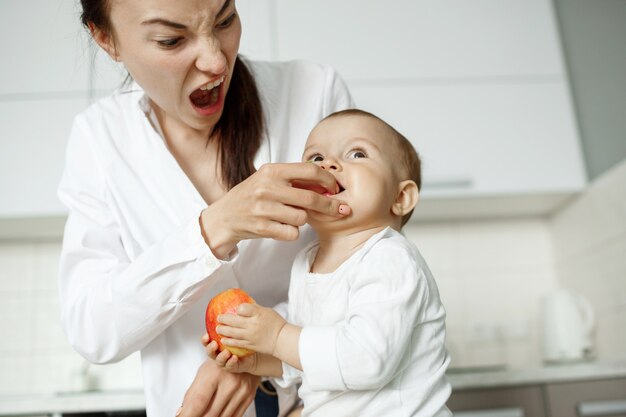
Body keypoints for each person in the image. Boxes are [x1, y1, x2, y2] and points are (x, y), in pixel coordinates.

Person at [57, 0, 354, 416]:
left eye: (225, 19)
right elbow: (94, 329)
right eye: (171, 39)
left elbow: (372, 273)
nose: (216, 61)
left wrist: (265, 350)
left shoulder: (315, 93)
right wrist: (213, 229)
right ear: (106, 39)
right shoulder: (100, 140)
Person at [198, 109, 452, 417]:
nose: (328, 164)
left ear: (400, 197)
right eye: (315, 158)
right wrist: (258, 360)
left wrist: (277, 336)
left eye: (357, 153)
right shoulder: (306, 263)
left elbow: (364, 360)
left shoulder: (390, 259)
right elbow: (317, 362)